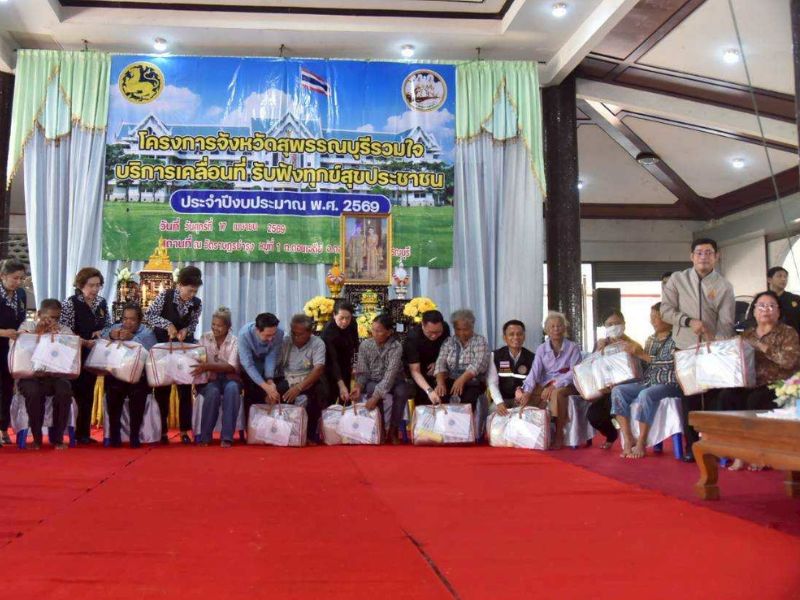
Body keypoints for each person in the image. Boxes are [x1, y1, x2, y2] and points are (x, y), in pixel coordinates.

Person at [661, 238, 735, 461]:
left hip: (713, 351)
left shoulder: (724, 286)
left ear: (717, 256)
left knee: (713, 399)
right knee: (690, 399)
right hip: (685, 349)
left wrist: (715, 341)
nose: (704, 257)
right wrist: (687, 321)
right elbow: (665, 311)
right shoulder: (677, 279)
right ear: (691, 256)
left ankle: (713, 445)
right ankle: (692, 447)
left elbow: (727, 322)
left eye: (709, 253)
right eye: (700, 253)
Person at [718, 290, 800, 470]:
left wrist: (763, 347)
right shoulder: (747, 334)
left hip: (780, 385)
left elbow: (789, 362)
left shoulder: (788, 333)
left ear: (778, 312)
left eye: (771, 306)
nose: (766, 310)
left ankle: (759, 452)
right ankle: (740, 452)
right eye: (761, 306)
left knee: (755, 400)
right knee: (726, 396)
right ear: (754, 311)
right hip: (751, 383)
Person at [610, 303, 681, 459]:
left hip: (669, 383)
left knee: (645, 394)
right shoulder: (651, 339)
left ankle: (641, 441)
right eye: (651, 317)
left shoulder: (678, 337)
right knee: (617, 390)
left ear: (669, 318)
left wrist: (641, 354)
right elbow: (644, 365)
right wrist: (630, 355)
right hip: (648, 381)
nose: (653, 321)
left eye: (657, 317)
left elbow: (670, 363)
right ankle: (628, 438)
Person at [144, 265, 203, 444]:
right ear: (179, 285)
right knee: (163, 389)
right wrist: (167, 324)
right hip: (163, 348)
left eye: (195, 291)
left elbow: (193, 324)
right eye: (189, 290)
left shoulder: (197, 303)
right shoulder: (166, 296)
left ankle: (185, 431)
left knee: (185, 390)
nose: (191, 294)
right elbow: (149, 314)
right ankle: (161, 431)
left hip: (183, 349)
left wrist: (186, 329)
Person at [61, 267, 112, 444]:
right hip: (75, 354)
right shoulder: (71, 303)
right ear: (81, 285)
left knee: (88, 394)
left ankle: (84, 433)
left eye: (98, 285)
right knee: (75, 393)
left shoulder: (102, 303)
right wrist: (82, 341)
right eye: (91, 285)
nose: (95, 289)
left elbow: (109, 325)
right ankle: (71, 432)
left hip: (94, 353)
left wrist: (102, 332)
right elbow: (64, 332)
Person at [16, 299, 74, 450]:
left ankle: (58, 437)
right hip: (30, 375)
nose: (52, 321)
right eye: (49, 317)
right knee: (33, 392)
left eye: (56, 318)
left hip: (55, 375)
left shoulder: (64, 329)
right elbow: (19, 350)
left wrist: (58, 337)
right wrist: (37, 334)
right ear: (39, 314)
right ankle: (36, 438)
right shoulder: (26, 326)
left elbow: (71, 354)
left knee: (64, 390)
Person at [518, 312, 581, 449]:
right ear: (546, 330)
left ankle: (559, 436)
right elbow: (535, 371)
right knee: (528, 397)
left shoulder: (573, 347)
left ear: (564, 328)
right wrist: (527, 390)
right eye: (552, 326)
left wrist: (555, 385)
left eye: (559, 326)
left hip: (567, 384)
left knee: (556, 394)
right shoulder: (542, 349)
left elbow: (574, 372)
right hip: (545, 384)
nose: (556, 329)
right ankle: (533, 434)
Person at [586, 310, 644, 450]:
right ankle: (611, 434)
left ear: (624, 324)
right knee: (593, 415)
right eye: (609, 324)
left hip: (627, 389)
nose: (613, 327)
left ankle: (629, 440)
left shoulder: (633, 344)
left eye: (616, 323)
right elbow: (590, 368)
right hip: (606, 390)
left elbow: (641, 371)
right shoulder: (601, 345)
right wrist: (597, 352)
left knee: (616, 397)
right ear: (605, 327)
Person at [102, 303, 158, 448]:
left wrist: (133, 338)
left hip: (138, 375)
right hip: (117, 374)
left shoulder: (147, 333)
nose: (127, 323)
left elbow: (151, 352)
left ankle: (134, 436)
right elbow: (100, 338)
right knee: (112, 392)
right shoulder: (115, 328)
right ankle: (114, 435)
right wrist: (109, 335)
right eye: (125, 319)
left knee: (138, 395)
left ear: (139, 320)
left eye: (132, 319)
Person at [350, 314, 407, 444]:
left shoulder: (396, 347)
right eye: (373, 330)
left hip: (395, 380)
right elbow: (363, 372)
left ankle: (393, 430)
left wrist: (375, 397)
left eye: (379, 331)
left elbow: (390, 375)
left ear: (389, 332)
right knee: (372, 388)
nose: (374, 333)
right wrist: (358, 387)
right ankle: (379, 429)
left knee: (402, 392)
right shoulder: (365, 345)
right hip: (373, 380)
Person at [274, 314, 327, 443]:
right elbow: (276, 364)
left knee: (320, 393)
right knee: (280, 392)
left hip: (309, 378)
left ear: (310, 332)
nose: (296, 337)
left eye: (300, 334)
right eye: (294, 333)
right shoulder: (286, 341)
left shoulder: (318, 343)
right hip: (288, 377)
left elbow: (318, 369)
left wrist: (299, 387)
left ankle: (309, 435)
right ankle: (285, 434)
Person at [194, 307, 240, 447]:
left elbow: (232, 367)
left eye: (219, 325)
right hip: (209, 379)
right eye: (213, 324)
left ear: (228, 327)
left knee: (232, 389)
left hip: (230, 378)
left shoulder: (234, 341)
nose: (215, 328)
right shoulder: (204, 338)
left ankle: (227, 437)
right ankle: (205, 437)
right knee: (212, 392)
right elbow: (199, 362)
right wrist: (208, 367)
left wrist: (208, 366)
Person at [433, 309, 489, 411]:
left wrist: (462, 379)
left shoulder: (480, 341)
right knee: (439, 396)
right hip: (451, 379)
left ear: (472, 326)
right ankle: (443, 425)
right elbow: (440, 362)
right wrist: (440, 383)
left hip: (473, 381)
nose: (462, 333)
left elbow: (478, 364)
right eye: (458, 329)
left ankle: (465, 425)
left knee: (467, 401)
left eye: (465, 329)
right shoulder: (449, 341)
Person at [238, 312, 284, 427]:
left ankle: (271, 428)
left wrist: (269, 380)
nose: (271, 338)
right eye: (267, 335)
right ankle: (252, 430)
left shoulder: (279, 333)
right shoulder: (244, 335)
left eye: (273, 334)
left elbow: (272, 356)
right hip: (249, 369)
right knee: (252, 391)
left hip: (269, 368)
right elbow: (248, 364)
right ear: (257, 330)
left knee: (276, 389)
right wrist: (265, 386)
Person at [0, 259, 27, 445]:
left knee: (7, 389)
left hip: (11, 350)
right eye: (14, 278)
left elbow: (22, 320)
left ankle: (3, 429)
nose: (18, 282)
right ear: (3, 276)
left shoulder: (21, 294)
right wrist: (3, 332)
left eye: (21, 278)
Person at [486, 320, 535, 416]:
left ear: (524, 337)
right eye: (511, 334)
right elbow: (492, 383)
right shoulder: (495, 356)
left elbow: (532, 382)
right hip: (502, 399)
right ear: (504, 337)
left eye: (519, 334)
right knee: (493, 412)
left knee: (528, 417)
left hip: (522, 400)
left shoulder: (532, 358)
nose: (516, 337)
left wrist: (524, 397)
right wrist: (499, 402)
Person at [404, 310, 451, 407]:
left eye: (438, 332)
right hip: (419, 373)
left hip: (439, 369)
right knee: (425, 399)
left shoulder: (445, 328)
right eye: (430, 332)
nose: (434, 336)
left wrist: (438, 364)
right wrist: (429, 391)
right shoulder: (413, 337)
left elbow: (448, 350)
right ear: (422, 325)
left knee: (445, 393)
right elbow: (415, 371)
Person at [321, 301, 358, 405]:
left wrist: (355, 364)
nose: (345, 321)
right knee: (330, 399)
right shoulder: (328, 331)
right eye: (341, 318)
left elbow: (356, 345)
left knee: (346, 399)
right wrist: (340, 384)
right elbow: (332, 360)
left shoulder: (353, 323)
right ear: (334, 315)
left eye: (348, 318)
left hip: (346, 364)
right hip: (330, 367)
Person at [745, 267, 800, 333]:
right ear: (769, 280)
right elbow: (751, 320)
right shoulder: (761, 298)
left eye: (785, 277)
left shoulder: (795, 299)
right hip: (766, 338)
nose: (783, 279)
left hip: (792, 338)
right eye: (779, 276)